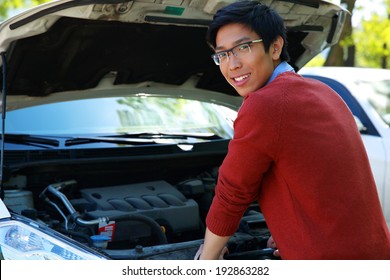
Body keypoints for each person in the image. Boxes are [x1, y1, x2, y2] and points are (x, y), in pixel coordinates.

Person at [196, 0, 390, 260]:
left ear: (275, 47)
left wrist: (206, 259)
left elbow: (233, 193)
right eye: (222, 54)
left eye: (242, 47)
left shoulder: (265, 103)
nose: (232, 65)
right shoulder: (325, 93)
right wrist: (289, 231)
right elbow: (326, 181)